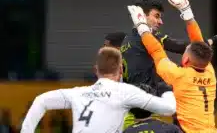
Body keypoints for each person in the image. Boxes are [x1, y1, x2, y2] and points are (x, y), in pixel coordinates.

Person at [127, 0, 217, 133]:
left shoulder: (178, 75)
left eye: (185, 51)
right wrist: (186, 10)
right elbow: (199, 43)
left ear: (186, 59)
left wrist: (141, 26)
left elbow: (156, 51)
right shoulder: (209, 72)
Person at [21, 47, 176, 133]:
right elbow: (169, 109)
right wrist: (165, 88)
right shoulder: (125, 92)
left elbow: (40, 100)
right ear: (121, 70)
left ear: (96, 70)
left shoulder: (77, 93)